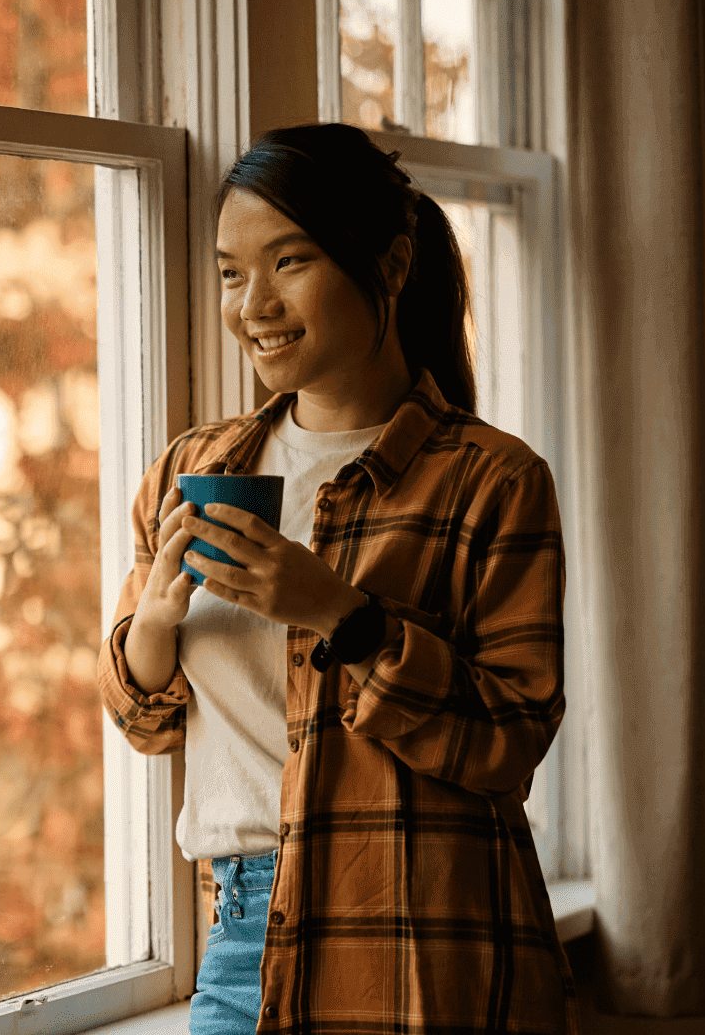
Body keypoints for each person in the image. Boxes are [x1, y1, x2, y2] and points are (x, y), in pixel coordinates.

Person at [94, 123, 578, 1034]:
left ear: (392, 267)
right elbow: (142, 721)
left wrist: (340, 615)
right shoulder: (190, 470)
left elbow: (510, 736)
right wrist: (153, 627)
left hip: (427, 929)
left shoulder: (492, 480)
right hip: (244, 932)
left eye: (290, 262)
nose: (253, 305)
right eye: (232, 272)